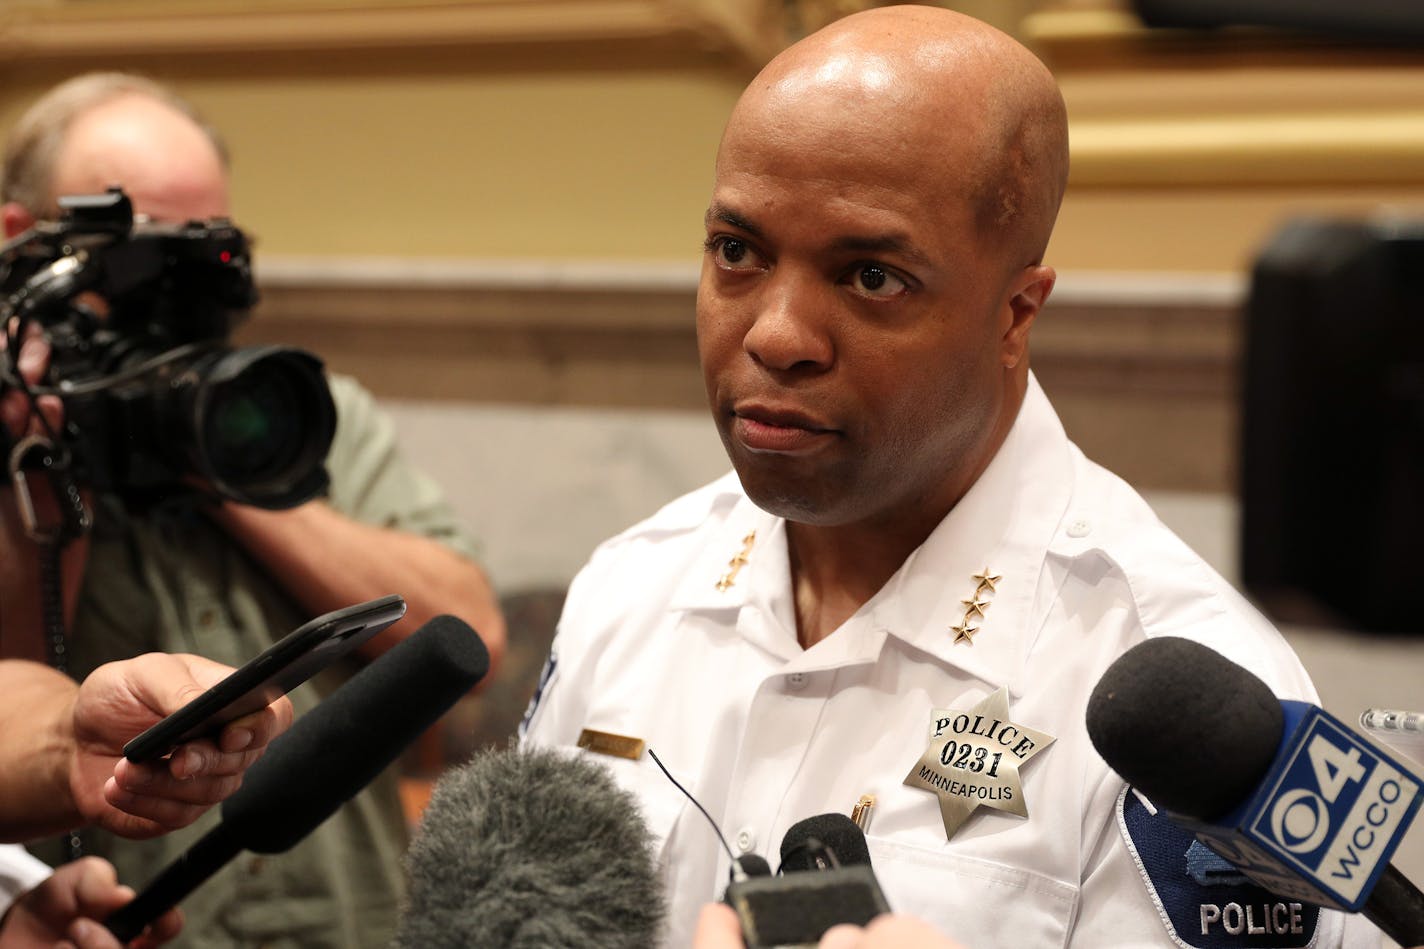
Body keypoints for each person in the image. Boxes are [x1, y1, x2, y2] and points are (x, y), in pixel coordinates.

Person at [521, 6, 1378, 948]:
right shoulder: (629, 588)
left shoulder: (1190, 712)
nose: (774, 334)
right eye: (738, 252)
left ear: (1016, 314)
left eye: (871, 277)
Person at [0, 72, 507, 949]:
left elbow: (470, 633)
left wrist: (226, 462)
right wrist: (46, 456)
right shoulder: (17, 427)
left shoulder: (300, 411)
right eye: (146, 251)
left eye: (210, 246)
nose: (180, 288)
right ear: (23, 240)